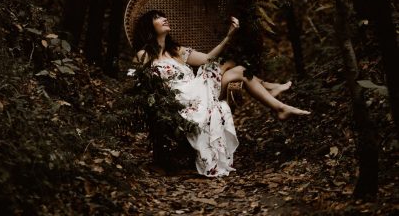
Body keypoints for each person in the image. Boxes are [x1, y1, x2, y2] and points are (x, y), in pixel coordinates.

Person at [131, 9, 310, 177]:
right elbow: (142, 83)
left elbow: (208, 58)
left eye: (164, 16)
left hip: (197, 92)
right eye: (157, 17)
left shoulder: (177, 50)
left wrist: (228, 36)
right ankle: (272, 92)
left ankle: (279, 107)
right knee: (232, 65)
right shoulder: (144, 55)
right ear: (149, 26)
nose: (164, 19)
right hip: (180, 99)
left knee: (237, 68)